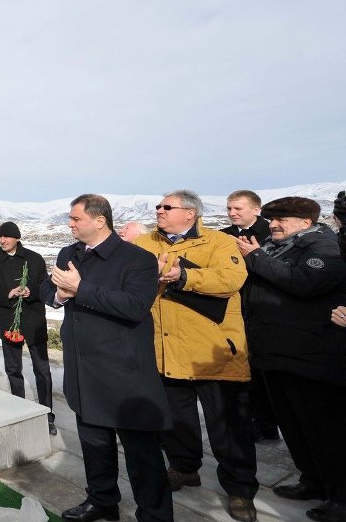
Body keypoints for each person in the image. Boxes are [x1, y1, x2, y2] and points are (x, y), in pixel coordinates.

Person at [41, 194, 173, 522]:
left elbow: (133, 306)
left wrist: (80, 288)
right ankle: (102, 501)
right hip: (84, 370)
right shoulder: (67, 253)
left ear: (100, 220)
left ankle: (155, 515)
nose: (69, 224)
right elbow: (49, 288)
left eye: (76, 219)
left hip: (124, 374)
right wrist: (58, 293)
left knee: (143, 458)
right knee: (95, 448)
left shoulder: (137, 258)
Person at [134, 190, 256, 522]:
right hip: (166, 351)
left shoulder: (218, 242)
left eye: (166, 206)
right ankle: (185, 468)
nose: (158, 209)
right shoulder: (145, 244)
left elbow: (231, 279)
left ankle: (241, 490)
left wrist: (184, 276)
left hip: (213, 353)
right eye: (158, 205)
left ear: (190, 213)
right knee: (176, 422)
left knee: (227, 427)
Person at [234, 196, 346, 522]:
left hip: (310, 356)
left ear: (306, 222)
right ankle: (312, 480)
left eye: (281, 219)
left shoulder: (324, 248)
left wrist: (254, 255)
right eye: (271, 219)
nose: (273, 224)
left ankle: (340, 495)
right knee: (294, 428)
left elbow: (303, 282)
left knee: (323, 430)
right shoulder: (272, 247)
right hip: (273, 353)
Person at [0, 221, 54, 434]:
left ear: (17, 238)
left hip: (34, 321)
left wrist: (30, 291)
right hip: (8, 319)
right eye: (0, 237)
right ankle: (19, 411)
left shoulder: (34, 258)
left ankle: (48, 415)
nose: (2, 240)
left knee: (42, 369)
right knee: (13, 369)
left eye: (7, 237)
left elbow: (45, 285)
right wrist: (6, 295)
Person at [220, 190, 277, 442]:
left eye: (238, 209)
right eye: (229, 209)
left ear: (256, 209)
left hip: (267, 308)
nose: (232, 213)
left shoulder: (272, 233)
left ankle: (270, 421)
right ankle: (259, 422)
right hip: (237, 308)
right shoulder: (223, 236)